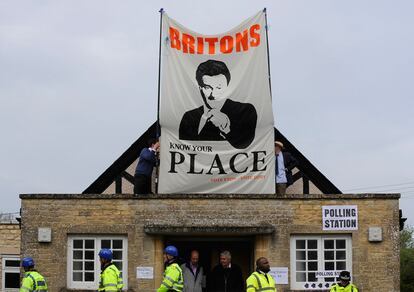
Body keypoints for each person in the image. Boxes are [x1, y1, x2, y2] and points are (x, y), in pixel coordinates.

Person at [179, 59, 257, 149]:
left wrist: (227, 130)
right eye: (207, 88)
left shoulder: (245, 111)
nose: (213, 95)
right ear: (200, 88)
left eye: (219, 88)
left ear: (228, 87)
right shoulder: (188, 117)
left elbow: (247, 144)